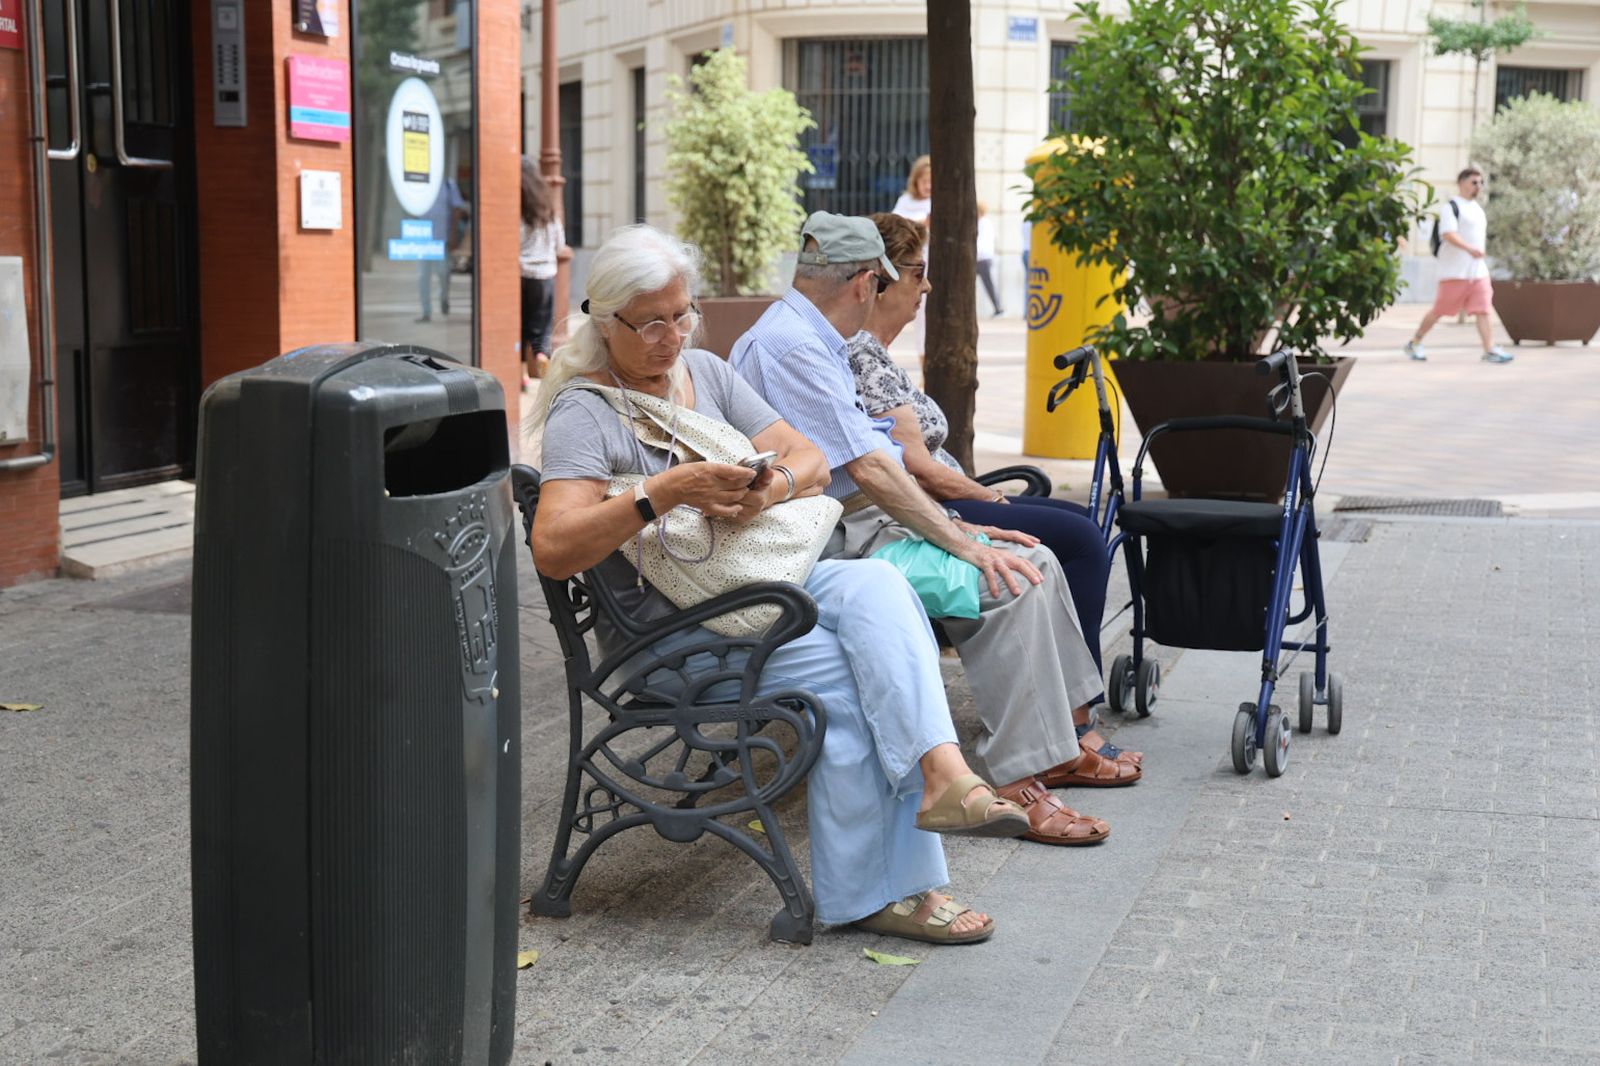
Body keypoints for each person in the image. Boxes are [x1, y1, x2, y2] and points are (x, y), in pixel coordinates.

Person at [527, 224, 1036, 945]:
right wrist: (662, 493)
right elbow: (552, 548)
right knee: (856, 673)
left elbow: (813, 458)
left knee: (878, 587)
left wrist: (771, 490)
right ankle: (887, 892)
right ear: (605, 321)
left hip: (763, 590)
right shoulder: (588, 412)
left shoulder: (705, 372)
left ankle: (943, 775)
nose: (672, 336)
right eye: (651, 323)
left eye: (683, 314)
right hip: (673, 639)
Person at [731, 212, 1140, 850]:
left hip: (853, 526)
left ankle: (1058, 737)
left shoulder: (810, 339)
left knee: (1038, 559)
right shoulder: (793, 346)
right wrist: (963, 539)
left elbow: (881, 465)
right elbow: (871, 471)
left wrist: (962, 522)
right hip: (827, 544)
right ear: (867, 282)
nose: (917, 291)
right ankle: (1018, 779)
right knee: (1011, 580)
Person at [850, 212, 1136, 766]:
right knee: (1077, 539)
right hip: (931, 503)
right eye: (917, 272)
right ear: (880, 281)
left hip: (943, 497)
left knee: (1072, 523)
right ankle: (1072, 720)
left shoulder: (874, 354)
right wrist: (991, 500)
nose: (926, 285)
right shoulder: (862, 354)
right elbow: (919, 467)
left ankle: (1069, 710)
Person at [1404, 166, 1514, 365]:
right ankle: (1415, 341)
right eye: (1474, 182)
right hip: (1455, 272)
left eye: (1481, 183)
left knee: (1484, 309)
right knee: (1439, 310)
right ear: (1461, 183)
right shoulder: (1451, 207)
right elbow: (1448, 234)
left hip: (1478, 272)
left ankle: (1489, 349)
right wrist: (1470, 249)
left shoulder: (1478, 210)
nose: (1478, 187)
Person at [519, 159, 564, 389]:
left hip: (521, 274)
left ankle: (522, 375)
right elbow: (560, 244)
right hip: (545, 274)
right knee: (542, 325)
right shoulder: (547, 209)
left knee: (521, 325)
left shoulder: (517, 207)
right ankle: (541, 357)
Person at [417, 175, 467, 323]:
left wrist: (452, 235)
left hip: (441, 240)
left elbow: (457, 209)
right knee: (422, 277)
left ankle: (444, 299)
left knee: (443, 273)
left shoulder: (448, 184)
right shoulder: (419, 184)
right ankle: (426, 312)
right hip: (423, 239)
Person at [975, 202, 1003, 317]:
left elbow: (981, 241)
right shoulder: (985, 223)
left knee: (988, 284)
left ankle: (998, 308)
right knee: (987, 283)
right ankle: (998, 308)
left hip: (981, 257)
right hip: (983, 257)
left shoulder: (982, 223)